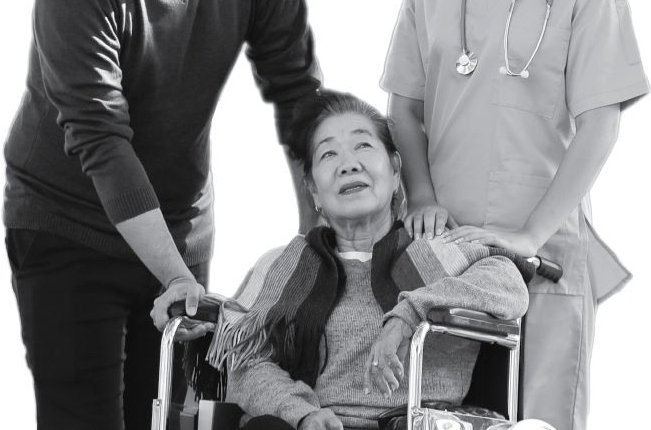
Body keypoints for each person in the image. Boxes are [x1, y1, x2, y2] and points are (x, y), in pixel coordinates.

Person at [2, 0, 322, 430]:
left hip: (183, 225)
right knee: (83, 420)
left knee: (186, 417)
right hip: (65, 224)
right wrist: (179, 279)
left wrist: (321, 244)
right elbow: (100, 138)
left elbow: (297, 94)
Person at [379, 0, 649, 430]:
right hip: (442, 252)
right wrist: (418, 196)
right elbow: (402, 103)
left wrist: (529, 231)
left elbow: (601, 118)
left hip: (542, 254)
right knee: (426, 415)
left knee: (534, 422)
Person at [178, 89, 532, 429]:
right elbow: (246, 362)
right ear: (314, 191)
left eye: (363, 145)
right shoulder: (282, 266)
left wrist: (407, 316)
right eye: (328, 154)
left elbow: (509, 285)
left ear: (396, 172)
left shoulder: (438, 251)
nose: (348, 165)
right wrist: (301, 413)